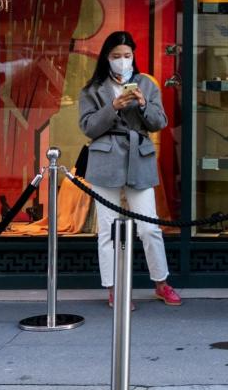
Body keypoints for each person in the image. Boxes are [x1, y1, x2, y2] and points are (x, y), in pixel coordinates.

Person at [79, 31, 182, 308]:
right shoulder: (93, 89)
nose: (122, 61)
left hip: (139, 156)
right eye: (116, 57)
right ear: (106, 58)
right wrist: (113, 107)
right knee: (108, 228)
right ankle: (113, 289)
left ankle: (161, 283)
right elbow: (88, 127)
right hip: (105, 158)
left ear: (134, 56)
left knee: (149, 227)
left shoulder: (146, 84)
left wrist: (143, 104)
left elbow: (160, 122)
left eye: (127, 56)